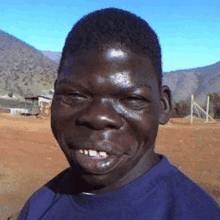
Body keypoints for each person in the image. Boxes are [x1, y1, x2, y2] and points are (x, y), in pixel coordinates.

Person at [17, 7, 219, 220]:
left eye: (131, 99)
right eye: (75, 95)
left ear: (163, 105)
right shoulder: (38, 208)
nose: (97, 117)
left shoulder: (196, 213)